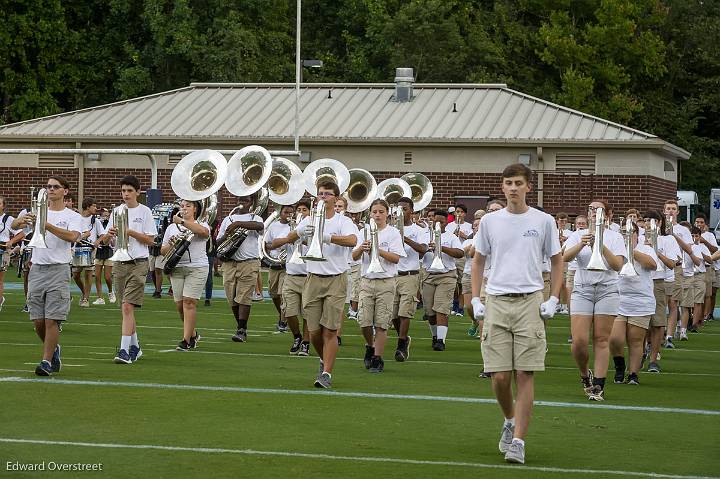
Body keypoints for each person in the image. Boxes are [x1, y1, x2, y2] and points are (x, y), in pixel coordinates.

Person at [470, 163, 562, 464]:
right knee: (498, 377)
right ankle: (509, 420)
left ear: (528, 187)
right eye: (508, 182)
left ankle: (519, 441)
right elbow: (478, 261)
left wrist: (553, 298)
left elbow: (557, 261)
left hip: (530, 301)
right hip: (496, 299)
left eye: (518, 183)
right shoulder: (490, 222)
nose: (512, 188)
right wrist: (474, 298)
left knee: (525, 372)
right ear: (502, 186)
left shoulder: (544, 220)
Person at [285, 181, 357, 388]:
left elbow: (352, 241)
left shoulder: (344, 221)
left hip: (336, 278)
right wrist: (294, 235)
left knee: (330, 331)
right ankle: (323, 359)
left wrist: (325, 237)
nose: (323, 197)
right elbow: (290, 237)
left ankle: (326, 374)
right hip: (313, 278)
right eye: (320, 194)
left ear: (336, 198)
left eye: (327, 194)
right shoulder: (310, 219)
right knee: (315, 332)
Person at [11, 176, 82, 376]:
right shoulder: (36, 211)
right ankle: (54, 350)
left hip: (59, 269)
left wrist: (46, 224)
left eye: (55, 187)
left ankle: (46, 361)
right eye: (48, 187)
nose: (51, 190)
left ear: (65, 191)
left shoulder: (72, 215)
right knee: (38, 321)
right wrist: (21, 221)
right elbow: (15, 227)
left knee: (52, 319)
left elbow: (73, 237)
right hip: (37, 268)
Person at [563, 199, 626, 401]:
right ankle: (584, 374)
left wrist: (600, 243)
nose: (593, 212)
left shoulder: (615, 237)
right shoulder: (577, 234)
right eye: (590, 209)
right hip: (583, 288)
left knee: (601, 338)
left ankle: (599, 384)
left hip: (607, 289)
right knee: (579, 341)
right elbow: (564, 257)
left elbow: (617, 265)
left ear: (607, 215)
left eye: (598, 210)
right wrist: (582, 243)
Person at [101, 175, 157, 364]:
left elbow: (151, 240)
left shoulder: (145, 211)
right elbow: (107, 242)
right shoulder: (116, 211)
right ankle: (135, 346)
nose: (126, 194)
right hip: (119, 261)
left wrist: (130, 231)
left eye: (129, 191)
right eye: (123, 191)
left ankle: (124, 350)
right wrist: (109, 235)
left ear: (138, 192)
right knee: (125, 309)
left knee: (127, 306)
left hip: (139, 262)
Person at [352, 199, 404, 372]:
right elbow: (354, 257)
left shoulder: (393, 233)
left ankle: (377, 358)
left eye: (381, 212)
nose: (378, 215)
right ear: (370, 214)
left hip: (386, 282)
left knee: (382, 323)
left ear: (387, 213)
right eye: (374, 212)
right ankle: (369, 345)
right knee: (364, 322)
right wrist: (361, 248)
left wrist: (377, 249)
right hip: (367, 280)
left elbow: (396, 258)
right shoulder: (363, 231)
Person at [609, 221, 658, 385]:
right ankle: (620, 367)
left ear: (637, 234)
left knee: (635, 340)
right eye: (623, 232)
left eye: (630, 232)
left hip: (641, 301)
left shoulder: (646, 248)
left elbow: (652, 265)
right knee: (614, 339)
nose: (627, 235)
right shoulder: (615, 249)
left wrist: (631, 250)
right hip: (618, 299)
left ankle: (633, 374)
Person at [160, 199, 210, 350]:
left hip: (197, 267)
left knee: (189, 302)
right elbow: (162, 251)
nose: (184, 208)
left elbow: (203, 233)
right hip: (177, 267)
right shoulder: (171, 228)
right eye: (182, 206)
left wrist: (181, 221)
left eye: (188, 206)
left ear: (195, 209)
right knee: (180, 306)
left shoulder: (202, 224)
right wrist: (171, 244)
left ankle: (186, 341)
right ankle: (193, 334)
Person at [217, 193, 264, 342]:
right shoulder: (227, 219)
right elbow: (218, 241)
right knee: (232, 298)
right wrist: (227, 234)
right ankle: (241, 326)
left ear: (251, 203)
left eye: (246, 199)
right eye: (240, 199)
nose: (242, 202)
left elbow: (260, 227)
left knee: (244, 297)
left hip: (248, 262)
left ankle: (241, 329)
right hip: (230, 262)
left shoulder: (255, 218)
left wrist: (238, 224)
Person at [271, 199, 312, 355]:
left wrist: (303, 234)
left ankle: (306, 343)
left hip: (308, 275)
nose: (301, 212)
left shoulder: (313, 227)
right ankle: (297, 336)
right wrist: (292, 235)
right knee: (288, 311)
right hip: (291, 274)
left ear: (310, 213)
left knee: (308, 312)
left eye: (304, 210)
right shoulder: (290, 227)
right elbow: (274, 243)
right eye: (299, 210)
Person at [392, 196, 428, 361]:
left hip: (410, 275)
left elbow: (422, 250)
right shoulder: (389, 229)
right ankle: (404, 338)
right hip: (392, 275)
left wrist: (403, 237)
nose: (400, 212)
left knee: (405, 312)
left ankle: (400, 345)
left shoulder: (419, 230)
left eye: (404, 209)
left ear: (411, 211)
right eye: (398, 209)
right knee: (393, 315)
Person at [422, 209, 464, 351]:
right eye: (436, 220)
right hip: (428, 274)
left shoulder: (451, 237)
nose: (438, 223)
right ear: (432, 220)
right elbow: (418, 251)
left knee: (441, 309)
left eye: (442, 221)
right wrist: (425, 248)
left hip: (446, 275)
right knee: (430, 312)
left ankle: (441, 340)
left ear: (447, 222)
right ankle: (435, 336)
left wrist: (441, 247)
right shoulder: (425, 235)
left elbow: (459, 253)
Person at [642, 211, 678, 373]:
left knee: (657, 322)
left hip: (657, 282)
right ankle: (641, 352)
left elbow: (672, 264)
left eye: (651, 221)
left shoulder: (667, 239)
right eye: (645, 221)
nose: (647, 224)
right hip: (638, 282)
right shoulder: (637, 237)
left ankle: (654, 359)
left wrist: (656, 252)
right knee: (640, 323)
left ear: (658, 223)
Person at [265, 205, 293, 332]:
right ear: (280, 213)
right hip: (274, 263)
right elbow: (267, 244)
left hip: (287, 265)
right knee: (274, 294)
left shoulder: (294, 226)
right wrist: (276, 245)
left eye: (291, 212)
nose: (288, 215)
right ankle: (282, 314)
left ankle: (283, 321)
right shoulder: (273, 226)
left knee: (283, 294)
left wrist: (281, 243)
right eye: (286, 212)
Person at [72, 197, 102, 307]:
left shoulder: (95, 220)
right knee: (75, 274)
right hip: (77, 248)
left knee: (89, 274)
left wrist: (97, 242)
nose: (96, 208)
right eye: (93, 206)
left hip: (90, 249)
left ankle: (86, 299)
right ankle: (84, 292)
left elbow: (102, 234)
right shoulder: (76, 218)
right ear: (87, 207)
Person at [447, 204, 473, 316]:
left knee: (461, 283)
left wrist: (464, 236)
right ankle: (454, 304)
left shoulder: (469, 226)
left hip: (462, 256)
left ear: (465, 214)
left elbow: (472, 240)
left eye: (461, 212)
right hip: (452, 255)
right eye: (457, 212)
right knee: (453, 283)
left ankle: (461, 307)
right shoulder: (449, 226)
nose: (459, 214)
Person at [694, 214, 718, 323]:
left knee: (708, 293)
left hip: (707, 267)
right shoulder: (691, 234)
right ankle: (696, 316)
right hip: (694, 268)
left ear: (705, 224)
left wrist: (705, 241)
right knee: (695, 294)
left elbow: (715, 249)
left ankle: (706, 315)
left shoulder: (709, 235)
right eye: (697, 222)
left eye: (701, 222)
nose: (699, 224)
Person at [0, 196, 21, 311]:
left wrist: (11, 242)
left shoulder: (8, 219)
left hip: (2, 250)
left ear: (4, 206)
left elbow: (21, 233)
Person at [93, 208, 116, 305]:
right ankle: (100, 297)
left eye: (107, 215)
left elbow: (113, 243)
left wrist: (109, 238)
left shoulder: (110, 226)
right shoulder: (98, 224)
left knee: (107, 276)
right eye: (104, 215)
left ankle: (111, 292)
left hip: (108, 251)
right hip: (99, 251)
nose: (106, 217)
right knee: (97, 276)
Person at [203, 217, 219, 306]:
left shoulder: (214, 221)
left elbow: (209, 230)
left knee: (208, 276)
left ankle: (207, 298)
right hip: (198, 251)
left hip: (209, 251)